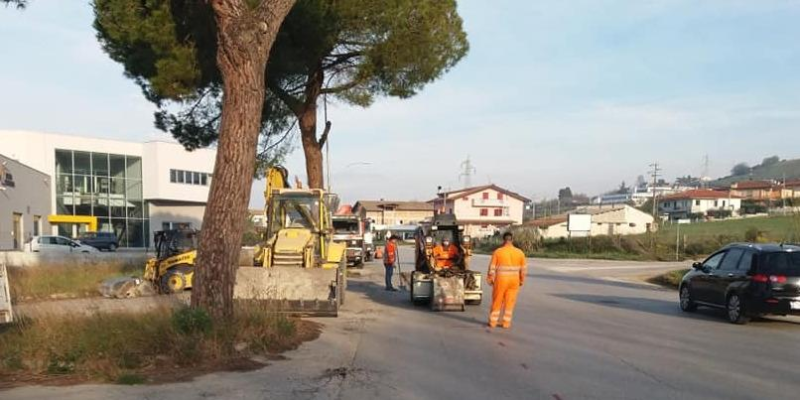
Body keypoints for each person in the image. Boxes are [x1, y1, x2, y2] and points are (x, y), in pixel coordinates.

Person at [487, 232, 527, 329]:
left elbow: (492, 268)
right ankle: (506, 323)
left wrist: (490, 278)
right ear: (512, 240)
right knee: (510, 302)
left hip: (501, 280)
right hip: (514, 281)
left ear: (503, 240)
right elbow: (523, 269)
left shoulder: (498, 252)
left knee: (497, 300)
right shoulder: (520, 253)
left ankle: (493, 322)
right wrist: (522, 280)